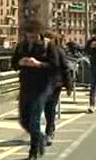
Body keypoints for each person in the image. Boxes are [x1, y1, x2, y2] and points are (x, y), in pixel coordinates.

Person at [11, 19, 60, 160]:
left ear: (39, 34)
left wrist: (38, 64)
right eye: (28, 36)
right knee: (24, 120)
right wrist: (20, 62)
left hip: (42, 87)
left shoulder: (48, 46)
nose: (30, 38)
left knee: (34, 119)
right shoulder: (21, 46)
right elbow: (13, 63)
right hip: (26, 86)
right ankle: (41, 137)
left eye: (33, 36)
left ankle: (33, 153)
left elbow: (55, 67)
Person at [42, 32, 73, 146]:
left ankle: (49, 133)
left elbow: (65, 68)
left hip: (56, 84)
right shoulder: (40, 52)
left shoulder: (59, 51)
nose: (45, 41)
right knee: (47, 109)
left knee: (50, 108)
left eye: (48, 39)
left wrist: (69, 85)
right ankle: (51, 128)